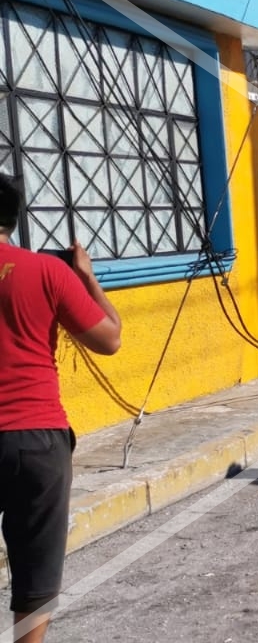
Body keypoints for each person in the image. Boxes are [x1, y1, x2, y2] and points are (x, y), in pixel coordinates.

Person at [0, 173, 122, 643]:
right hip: (36, 439)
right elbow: (109, 339)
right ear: (13, 219)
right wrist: (86, 277)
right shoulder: (47, 272)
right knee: (35, 574)